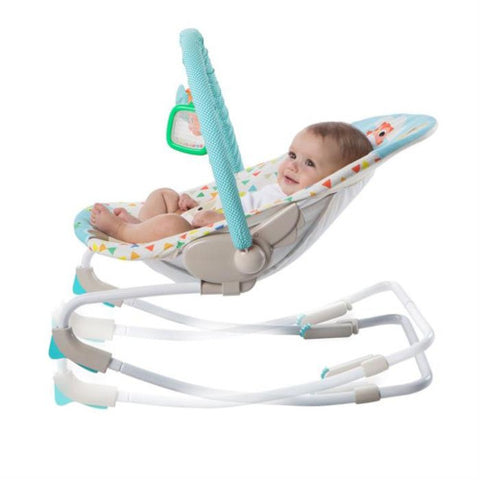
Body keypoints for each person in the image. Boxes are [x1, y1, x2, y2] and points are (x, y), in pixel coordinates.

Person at [90, 122, 373, 243]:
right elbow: (241, 202)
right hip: (204, 218)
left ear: (330, 180)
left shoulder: (292, 206)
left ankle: (123, 231)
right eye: (292, 155)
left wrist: (215, 220)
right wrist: (198, 206)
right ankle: (142, 227)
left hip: (211, 235)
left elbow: (256, 229)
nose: (293, 166)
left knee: (171, 225)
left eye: (309, 163)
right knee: (163, 195)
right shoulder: (278, 188)